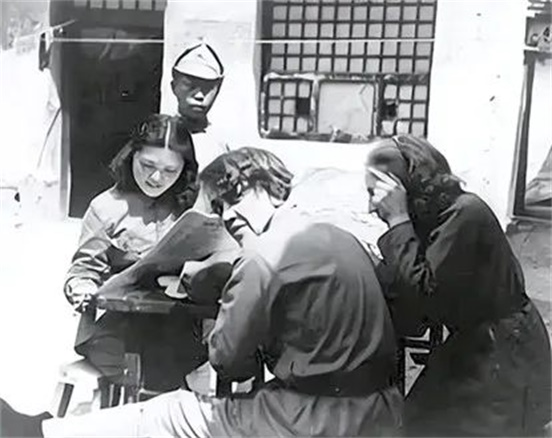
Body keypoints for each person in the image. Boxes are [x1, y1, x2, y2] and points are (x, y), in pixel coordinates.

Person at [1, 147, 402, 437]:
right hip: (381, 409)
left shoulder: (261, 257)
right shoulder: (340, 236)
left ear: (272, 189)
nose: (229, 215)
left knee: (165, 414)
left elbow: (229, 363)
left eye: (236, 197)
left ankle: (40, 434)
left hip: (311, 417)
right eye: (220, 207)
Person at [364, 134, 552, 436]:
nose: (371, 207)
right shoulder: (440, 215)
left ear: (403, 187)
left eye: (375, 193)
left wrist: (398, 220)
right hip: (480, 344)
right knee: (417, 420)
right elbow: (415, 310)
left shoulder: (465, 213)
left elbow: (424, 295)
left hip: (503, 352)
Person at [64, 114, 206, 391]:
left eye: (170, 170)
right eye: (148, 165)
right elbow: (82, 271)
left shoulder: (193, 207)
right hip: (118, 330)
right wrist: (82, 289)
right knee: (151, 370)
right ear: (132, 156)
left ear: (185, 170)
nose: (156, 177)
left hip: (179, 328)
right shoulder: (105, 208)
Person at [170, 42, 228, 170]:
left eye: (208, 87)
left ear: (218, 90)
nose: (199, 96)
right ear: (174, 87)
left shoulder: (219, 146)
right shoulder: (159, 136)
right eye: (189, 85)